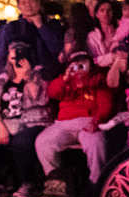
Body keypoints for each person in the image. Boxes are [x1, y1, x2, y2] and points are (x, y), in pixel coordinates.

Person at [0, 42, 53, 197]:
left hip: (34, 123)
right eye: (12, 57)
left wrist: (29, 77)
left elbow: (43, 100)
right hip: (7, 123)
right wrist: (0, 126)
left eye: (19, 56)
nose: (15, 61)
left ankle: (27, 183)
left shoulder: (40, 73)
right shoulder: (3, 78)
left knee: (21, 140)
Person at [35, 50, 114, 183]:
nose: (80, 67)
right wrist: (65, 78)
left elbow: (107, 106)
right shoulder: (66, 81)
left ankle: (97, 183)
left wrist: (97, 121)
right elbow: (53, 92)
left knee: (96, 143)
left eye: (83, 63)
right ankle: (56, 181)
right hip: (64, 124)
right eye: (76, 64)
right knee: (43, 141)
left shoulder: (98, 80)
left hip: (88, 122)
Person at [0, 0, 65, 79]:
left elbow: (57, 50)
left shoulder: (51, 26)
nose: (28, 5)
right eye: (24, 2)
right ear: (18, 6)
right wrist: (4, 78)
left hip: (44, 79)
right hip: (18, 79)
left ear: (38, 2)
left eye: (31, 1)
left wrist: (41, 27)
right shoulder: (10, 28)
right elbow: (1, 58)